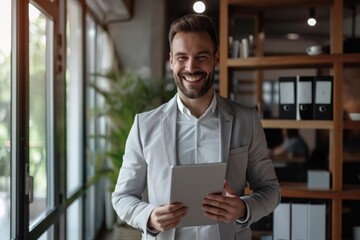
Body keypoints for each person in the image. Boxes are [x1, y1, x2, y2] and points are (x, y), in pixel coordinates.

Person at [112, 13, 280, 240]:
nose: (191, 67)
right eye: (182, 57)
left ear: (216, 58)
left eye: (201, 57)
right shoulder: (144, 125)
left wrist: (243, 208)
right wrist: (149, 216)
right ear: (171, 61)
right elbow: (122, 196)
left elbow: (271, 191)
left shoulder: (246, 120)